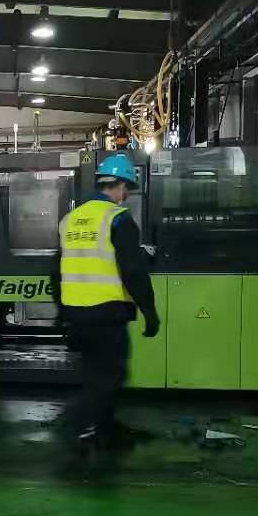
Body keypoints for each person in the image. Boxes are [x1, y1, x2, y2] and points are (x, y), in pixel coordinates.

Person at [52, 153, 160, 451]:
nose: (126, 195)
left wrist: (61, 312)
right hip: (107, 313)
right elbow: (133, 271)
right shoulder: (118, 219)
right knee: (112, 375)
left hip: (76, 314)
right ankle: (83, 427)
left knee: (94, 374)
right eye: (127, 189)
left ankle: (105, 427)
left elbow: (56, 271)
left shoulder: (70, 220)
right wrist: (150, 312)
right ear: (120, 186)